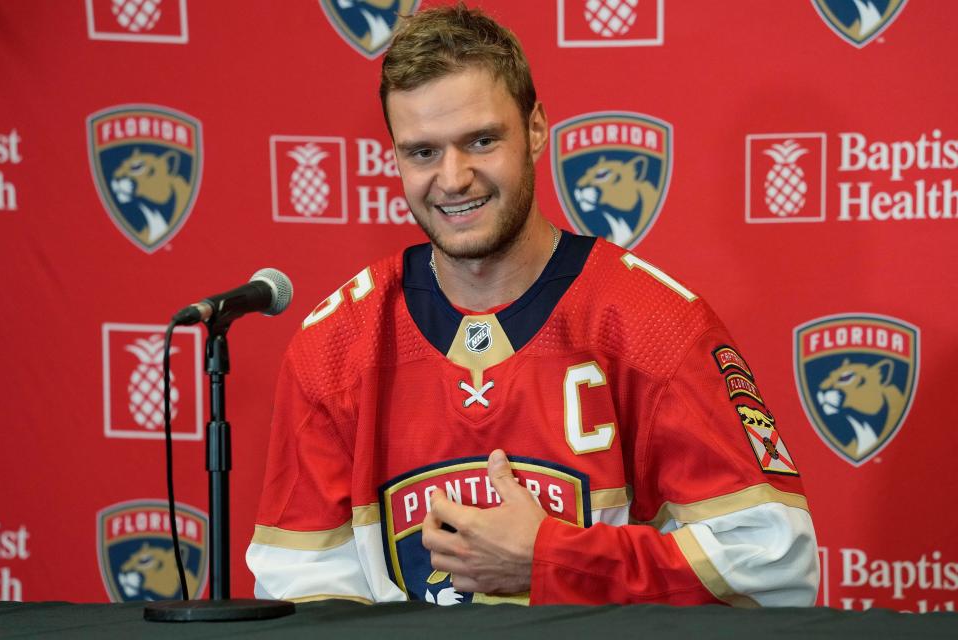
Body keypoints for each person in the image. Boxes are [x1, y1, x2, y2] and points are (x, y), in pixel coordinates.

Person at [246, 3, 818, 607]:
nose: (454, 177)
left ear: (537, 128)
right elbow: (299, 592)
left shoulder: (657, 327)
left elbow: (776, 570)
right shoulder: (335, 346)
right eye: (422, 152)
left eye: (481, 140)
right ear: (394, 156)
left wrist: (553, 558)